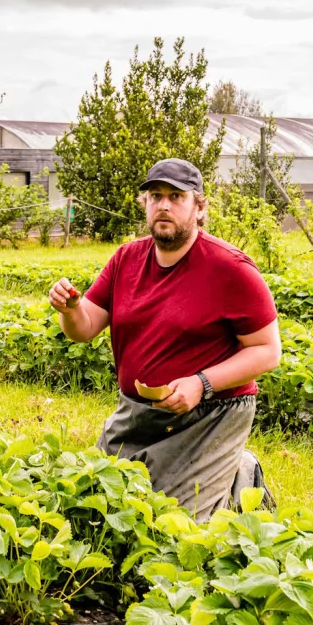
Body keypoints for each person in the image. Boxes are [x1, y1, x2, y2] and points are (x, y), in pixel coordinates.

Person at [49, 158, 282, 520]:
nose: (164, 205)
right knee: (96, 505)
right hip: (139, 412)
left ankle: (239, 475)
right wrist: (70, 310)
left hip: (211, 413)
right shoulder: (126, 259)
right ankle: (225, 470)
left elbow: (268, 352)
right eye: (156, 196)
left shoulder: (230, 269)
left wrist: (201, 384)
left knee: (171, 522)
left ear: (199, 207)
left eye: (176, 196)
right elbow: (85, 328)